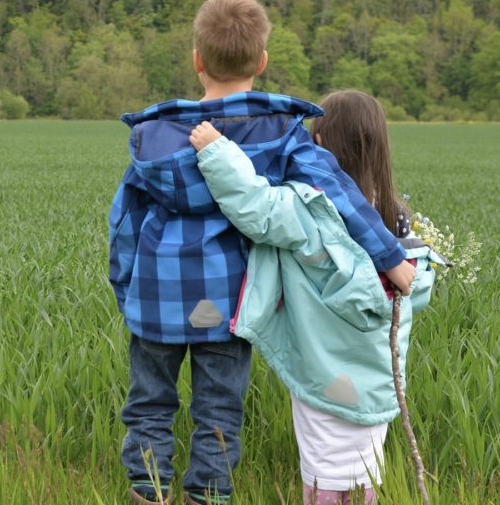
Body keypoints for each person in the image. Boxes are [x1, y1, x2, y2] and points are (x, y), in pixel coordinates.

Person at [108, 0, 416, 505]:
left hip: (156, 297)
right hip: (231, 301)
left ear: (197, 60)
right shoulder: (280, 133)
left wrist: (127, 290)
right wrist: (390, 257)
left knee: (149, 402)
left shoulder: (154, 138)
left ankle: (149, 488)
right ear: (263, 62)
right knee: (219, 408)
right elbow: (340, 194)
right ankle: (208, 494)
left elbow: (124, 223)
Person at [188, 90, 439, 505]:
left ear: (318, 145)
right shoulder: (395, 216)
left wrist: (216, 150)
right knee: (363, 473)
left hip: (323, 370)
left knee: (325, 472)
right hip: (377, 376)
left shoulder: (312, 208)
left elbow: (256, 205)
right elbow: (407, 292)